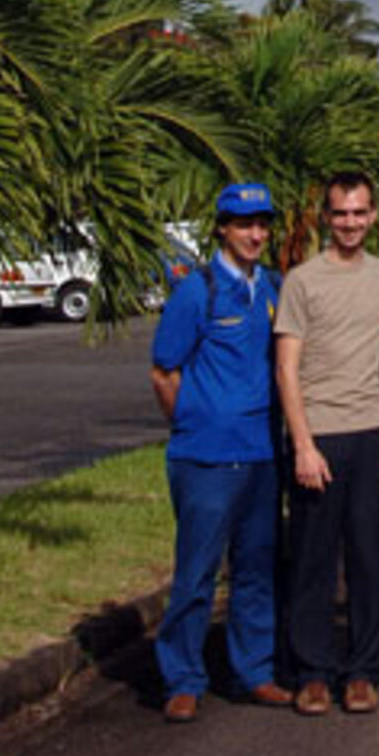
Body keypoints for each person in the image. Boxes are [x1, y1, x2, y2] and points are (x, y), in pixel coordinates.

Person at [151, 181, 290, 722]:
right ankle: (182, 676)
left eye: (261, 224)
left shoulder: (272, 287)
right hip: (206, 458)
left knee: (257, 567)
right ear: (222, 229)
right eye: (243, 224)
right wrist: (192, 422)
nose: (254, 234)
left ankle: (254, 670)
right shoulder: (197, 290)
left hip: (261, 455)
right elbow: (164, 372)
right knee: (196, 571)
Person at [274, 172, 379, 716]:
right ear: (326, 217)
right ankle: (313, 671)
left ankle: (362, 672)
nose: (350, 222)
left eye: (359, 212)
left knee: (369, 559)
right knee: (313, 561)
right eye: (340, 213)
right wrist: (302, 442)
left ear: (372, 216)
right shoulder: (301, 281)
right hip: (319, 435)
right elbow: (286, 368)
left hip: (371, 432)